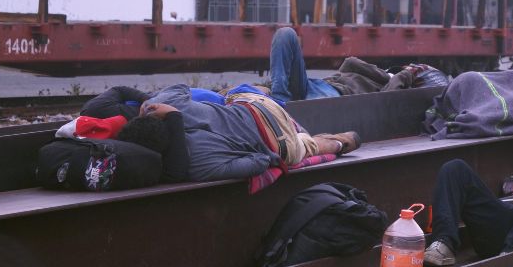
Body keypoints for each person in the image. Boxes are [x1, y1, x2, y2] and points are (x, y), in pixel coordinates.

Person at [114, 83, 360, 183]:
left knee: (303, 148)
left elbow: (260, 162)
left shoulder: (195, 167)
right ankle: (291, 123)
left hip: (279, 142)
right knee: (228, 94)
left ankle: (339, 144)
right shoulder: (162, 104)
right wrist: (151, 105)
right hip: (259, 105)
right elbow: (180, 87)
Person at [268, 27, 448, 102]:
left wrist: (406, 74)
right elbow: (349, 62)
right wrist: (385, 73)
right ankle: (279, 100)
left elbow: (383, 102)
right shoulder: (384, 75)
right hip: (314, 85)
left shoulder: (395, 85)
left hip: (333, 96)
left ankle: (279, 107)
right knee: (285, 34)